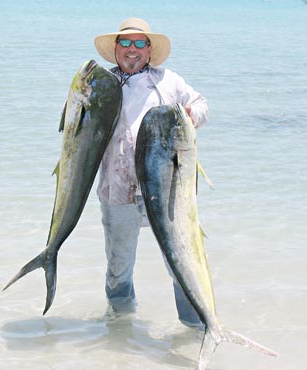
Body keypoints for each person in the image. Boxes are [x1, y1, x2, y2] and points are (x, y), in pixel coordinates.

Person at [94, 18, 209, 328]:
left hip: (166, 190)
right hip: (117, 188)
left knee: (179, 264)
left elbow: (200, 104)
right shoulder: (101, 85)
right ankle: (119, 331)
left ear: (149, 50)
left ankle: (194, 329)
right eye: (126, 43)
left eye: (140, 43)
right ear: (116, 49)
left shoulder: (168, 80)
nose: (132, 50)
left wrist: (190, 115)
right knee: (118, 267)